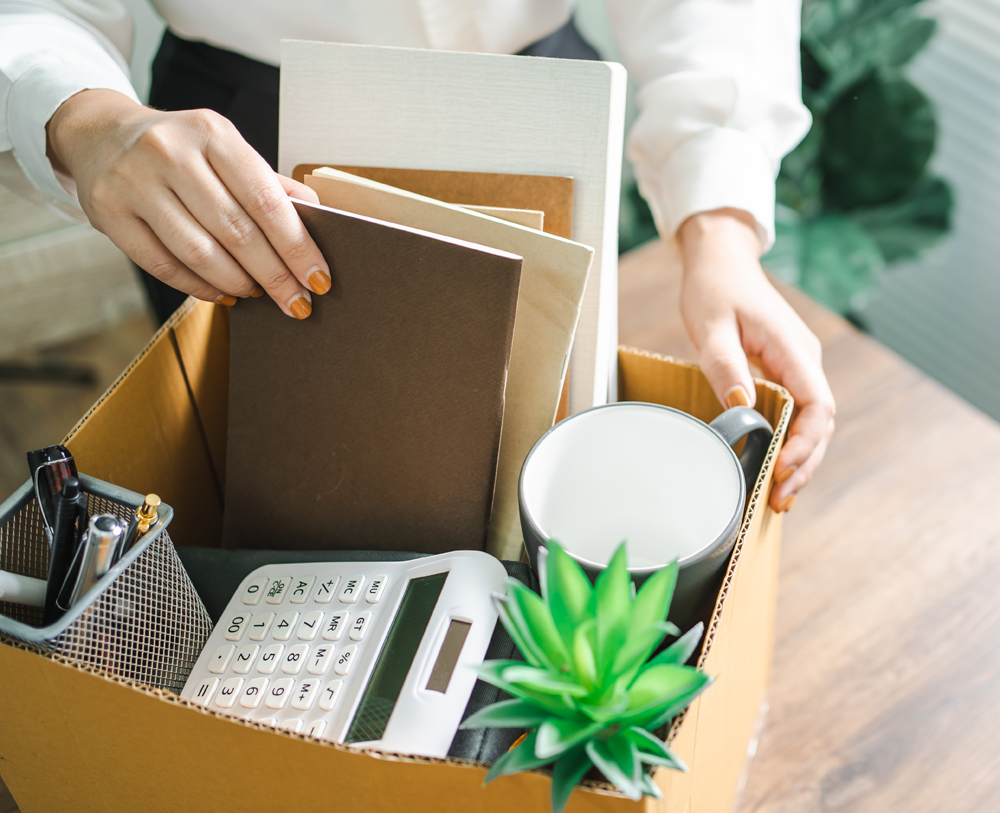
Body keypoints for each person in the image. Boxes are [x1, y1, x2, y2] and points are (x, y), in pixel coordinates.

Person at [0, 0, 834, 514]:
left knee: (546, 460)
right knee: (288, 493)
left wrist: (718, 222)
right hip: (246, 157)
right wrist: (87, 119)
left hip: (548, 113)